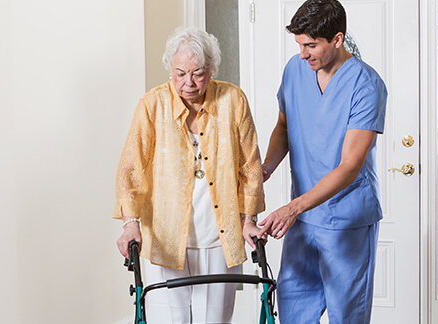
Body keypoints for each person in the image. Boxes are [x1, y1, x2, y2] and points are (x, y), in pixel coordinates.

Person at [114, 27, 265, 323]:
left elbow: (250, 165)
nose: (189, 83)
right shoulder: (152, 105)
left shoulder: (233, 101)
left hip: (219, 239)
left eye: (198, 73)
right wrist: (130, 224)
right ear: (170, 69)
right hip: (165, 237)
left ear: (211, 70)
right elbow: (130, 168)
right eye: (180, 73)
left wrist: (249, 220)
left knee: (215, 320)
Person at [258, 1, 387, 323]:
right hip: (302, 219)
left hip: (345, 219)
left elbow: (350, 165)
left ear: (338, 39)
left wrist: (291, 209)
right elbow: (285, 127)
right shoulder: (295, 69)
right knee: (294, 310)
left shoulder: (366, 85)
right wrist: (264, 170)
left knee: (346, 315)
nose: (303, 54)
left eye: (311, 45)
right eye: (300, 44)